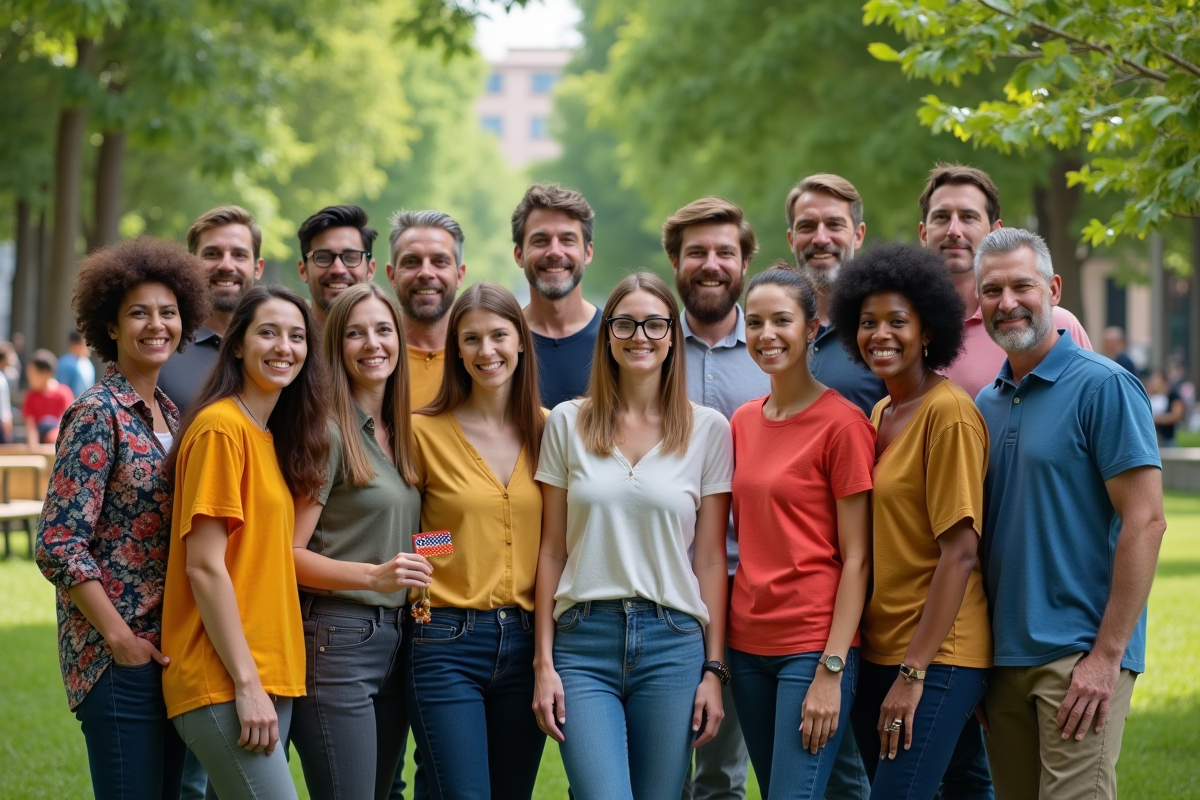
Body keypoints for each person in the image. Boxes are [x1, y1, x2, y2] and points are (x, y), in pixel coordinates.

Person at [972, 228, 1166, 800]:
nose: (1007, 302)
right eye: (992, 290)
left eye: (1021, 286)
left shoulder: (1104, 387)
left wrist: (1106, 658)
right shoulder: (986, 402)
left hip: (1080, 656)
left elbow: (1147, 521)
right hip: (1004, 660)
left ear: (1052, 289)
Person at [533, 271, 731, 799]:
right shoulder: (568, 423)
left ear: (672, 336)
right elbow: (552, 548)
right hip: (582, 640)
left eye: (654, 324)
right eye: (624, 323)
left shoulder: (709, 429)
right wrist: (544, 663)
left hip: (673, 643)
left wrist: (714, 669)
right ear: (607, 336)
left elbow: (710, 560)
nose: (639, 336)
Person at [35, 237, 209, 799]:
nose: (156, 325)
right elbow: (59, 543)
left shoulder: (174, 415)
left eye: (168, 312)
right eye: (139, 313)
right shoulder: (96, 412)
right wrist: (119, 638)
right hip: (117, 658)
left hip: (172, 651)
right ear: (110, 326)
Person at [827, 243, 992, 800]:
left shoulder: (948, 414)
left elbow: (961, 551)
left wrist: (913, 672)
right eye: (868, 322)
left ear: (927, 330)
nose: (881, 334)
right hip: (880, 648)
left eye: (898, 321)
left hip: (937, 656)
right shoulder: (881, 413)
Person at [161, 285, 330, 800]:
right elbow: (205, 567)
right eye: (269, 333)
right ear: (237, 344)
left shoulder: (268, 435)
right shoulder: (220, 429)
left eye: (297, 336)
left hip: (265, 670)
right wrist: (246, 683)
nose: (284, 347)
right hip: (225, 678)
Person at [729, 264, 874, 798]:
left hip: (811, 645)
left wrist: (833, 667)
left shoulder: (843, 424)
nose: (767, 335)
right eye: (756, 322)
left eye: (782, 321)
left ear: (813, 329)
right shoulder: (743, 421)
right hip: (746, 645)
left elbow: (858, 558)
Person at [288, 283, 433, 800]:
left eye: (383, 330)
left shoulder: (404, 432)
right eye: (355, 333)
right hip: (339, 639)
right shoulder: (327, 431)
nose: (372, 343)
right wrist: (375, 575)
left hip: (401, 639)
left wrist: (460, 546)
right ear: (336, 347)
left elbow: (408, 533)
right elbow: (290, 553)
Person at [407, 282, 548, 799]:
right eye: (470, 339)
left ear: (520, 342)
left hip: (529, 640)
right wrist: (451, 549)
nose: (486, 351)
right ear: (455, 350)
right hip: (446, 638)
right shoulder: (423, 432)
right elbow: (421, 531)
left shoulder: (550, 431)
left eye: (498, 336)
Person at [663, 196, 768, 800]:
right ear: (675, 261)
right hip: (658, 589)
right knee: (656, 773)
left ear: (744, 262)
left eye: (725, 252)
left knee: (723, 778)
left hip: (748, 590)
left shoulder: (773, 355)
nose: (711, 264)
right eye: (696, 252)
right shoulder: (640, 347)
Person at [785, 173, 879, 800]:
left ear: (858, 233)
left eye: (834, 224)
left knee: (887, 758)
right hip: (794, 588)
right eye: (808, 226)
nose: (822, 238)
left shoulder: (884, 329)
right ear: (790, 237)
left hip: (885, 575)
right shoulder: (777, 331)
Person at [918, 163, 1093, 400]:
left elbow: (1090, 403)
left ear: (995, 231)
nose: (953, 230)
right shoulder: (902, 324)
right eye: (941, 217)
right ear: (923, 233)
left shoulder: (1054, 323)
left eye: (968, 217)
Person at [159, 205, 266, 413]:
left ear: (258, 268)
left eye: (239, 255)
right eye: (212, 254)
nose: (226, 265)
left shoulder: (277, 349)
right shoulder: (161, 346)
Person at [513, 183, 602, 409]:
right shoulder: (499, 344)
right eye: (540, 240)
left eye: (567, 240)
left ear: (588, 252)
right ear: (519, 254)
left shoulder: (617, 339)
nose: (554, 252)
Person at [386, 209, 468, 409]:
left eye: (440, 261)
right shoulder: (371, 357)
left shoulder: (482, 357)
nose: (425, 273)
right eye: (411, 261)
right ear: (391, 275)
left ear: (459, 275)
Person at [298, 205, 378, 326]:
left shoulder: (391, 342)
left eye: (350, 258)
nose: (338, 269)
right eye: (323, 257)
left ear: (370, 270)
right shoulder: (284, 343)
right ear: (303, 270)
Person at [23, 349, 75, 443]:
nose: (29, 378)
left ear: (45, 373)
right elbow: (31, 428)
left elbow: (68, 423)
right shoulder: (31, 396)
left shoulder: (64, 393)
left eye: (32, 374)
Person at [1145, 370, 1184, 447]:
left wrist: (1158, 419)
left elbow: (1177, 415)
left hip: (1167, 438)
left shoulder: (1173, 395)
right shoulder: (1150, 395)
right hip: (1153, 439)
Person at [56, 330, 96, 398]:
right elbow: (62, 392)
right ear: (77, 344)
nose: (90, 347)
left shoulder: (87, 363)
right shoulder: (65, 364)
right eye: (87, 343)